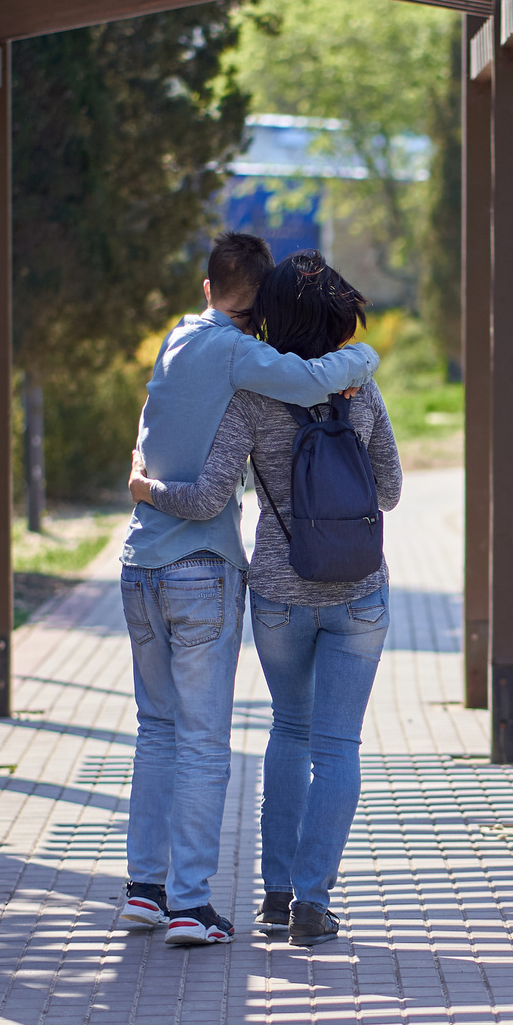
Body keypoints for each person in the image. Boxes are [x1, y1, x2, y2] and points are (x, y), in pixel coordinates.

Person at [116, 233, 380, 949]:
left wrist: (143, 487)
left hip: (177, 569)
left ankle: (165, 887)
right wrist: (365, 358)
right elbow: (374, 477)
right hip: (231, 572)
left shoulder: (181, 344)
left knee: (170, 730)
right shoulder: (252, 364)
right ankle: (213, 904)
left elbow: (200, 465)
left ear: (208, 289)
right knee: (236, 741)